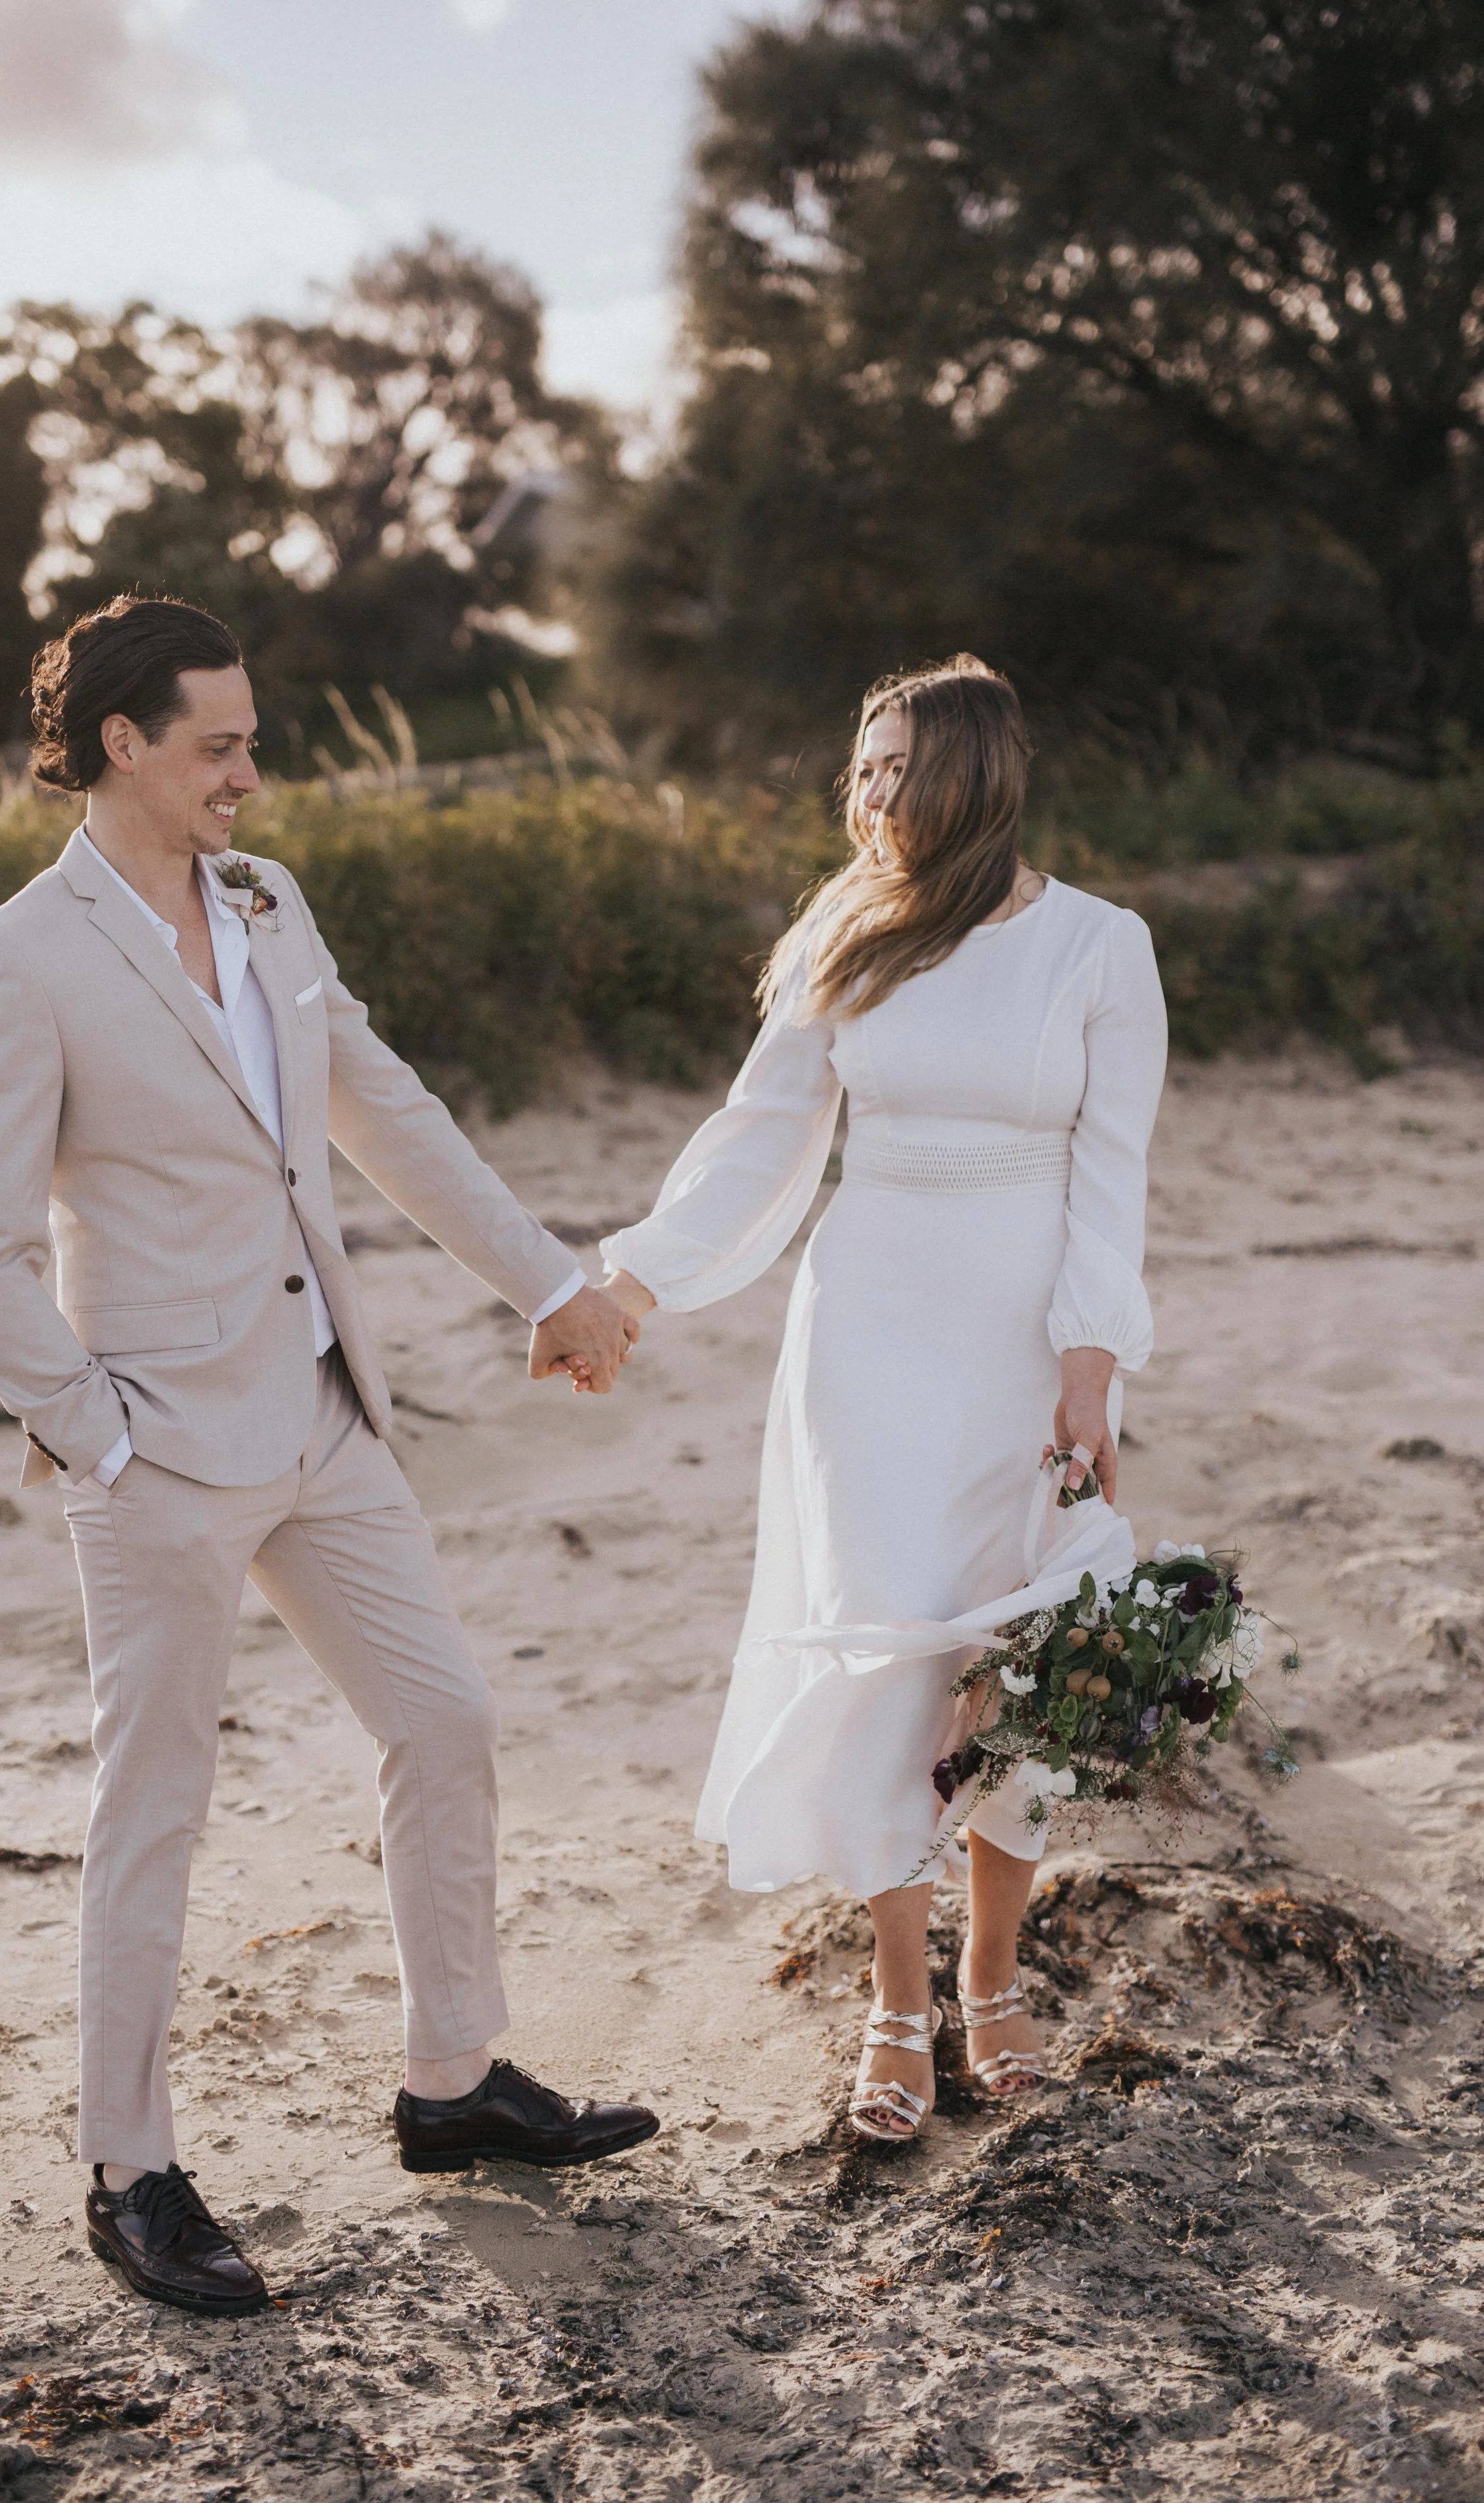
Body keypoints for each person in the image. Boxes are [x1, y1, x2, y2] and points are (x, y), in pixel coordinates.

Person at [0, 595, 657, 2318]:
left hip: (323, 1407)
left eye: (249, 742)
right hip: (158, 1449)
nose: (248, 774)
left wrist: (550, 1284)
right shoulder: (15, 958)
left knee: (444, 1717)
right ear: (122, 744)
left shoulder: (265, 898)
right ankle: (129, 2170)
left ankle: (450, 2081)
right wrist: (104, 1441)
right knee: (155, 1806)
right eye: (220, 745)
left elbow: (379, 1103)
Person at [600, 657, 1166, 2141]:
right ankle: (896, 1998)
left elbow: (1112, 1175)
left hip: (1026, 1343)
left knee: (1014, 1656)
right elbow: (759, 1134)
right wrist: (635, 1281)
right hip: (866, 1332)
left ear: (967, 774)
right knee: (884, 1644)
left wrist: (1089, 1362)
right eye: (858, 766)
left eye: (890, 765)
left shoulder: (1100, 946)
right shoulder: (844, 932)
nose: (862, 794)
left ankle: (996, 1975)